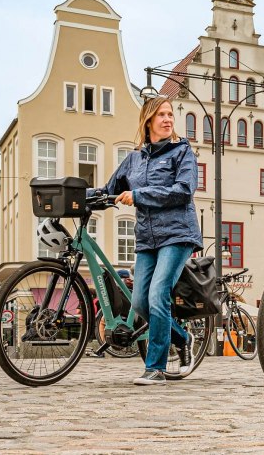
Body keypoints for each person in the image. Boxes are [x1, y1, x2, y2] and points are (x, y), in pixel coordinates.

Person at [90, 94, 201, 386]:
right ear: (148, 120)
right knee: (139, 302)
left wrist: (139, 196)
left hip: (178, 234)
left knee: (157, 294)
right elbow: (108, 189)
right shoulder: (134, 159)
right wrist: (77, 196)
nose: (167, 120)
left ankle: (156, 367)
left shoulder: (182, 152)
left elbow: (183, 191)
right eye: (161, 115)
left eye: (170, 115)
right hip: (147, 239)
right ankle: (182, 336)